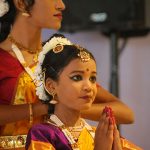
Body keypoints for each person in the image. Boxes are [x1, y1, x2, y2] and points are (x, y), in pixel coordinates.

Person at [0, 0, 133, 149]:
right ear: (21, 3)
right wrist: (43, 108)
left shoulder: (58, 58)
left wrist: (70, 105)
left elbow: (125, 113)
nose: (61, 5)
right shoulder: (3, 59)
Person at [26, 34, 141, 150]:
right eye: (77, 77)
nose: (89, 87)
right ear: (51, 86)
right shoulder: (42, 134)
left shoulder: (102, 134)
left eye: (92, 79)